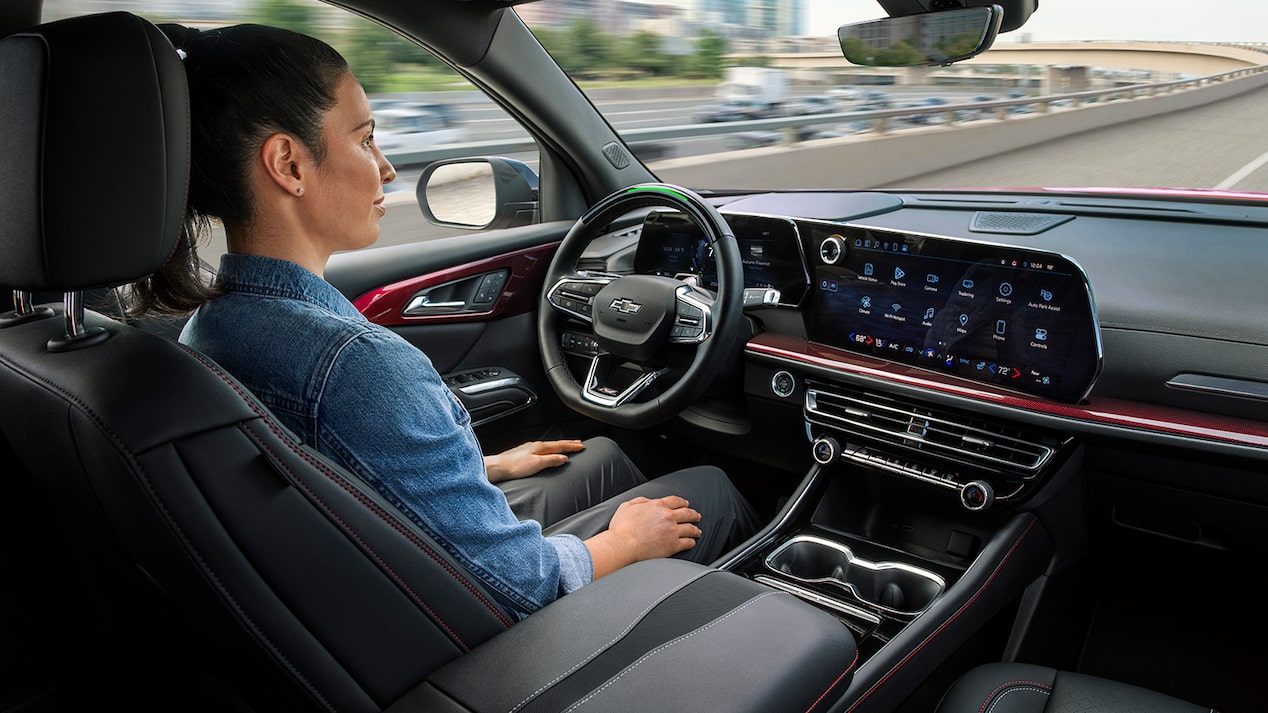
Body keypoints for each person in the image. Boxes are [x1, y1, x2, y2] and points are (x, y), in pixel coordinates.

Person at [129, 23, 759, 620]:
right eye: (365, 137)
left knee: (598, 458)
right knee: (710, 489)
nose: (386, 167)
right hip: (481, 634)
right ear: (289, 165)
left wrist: (479, 468)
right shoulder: (357, 364)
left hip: (366, 588)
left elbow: (326, 485)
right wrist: (624, 544)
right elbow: (522, 583)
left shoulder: (209, 328)